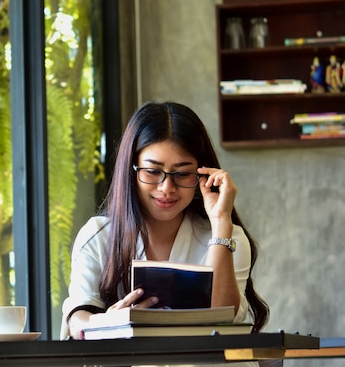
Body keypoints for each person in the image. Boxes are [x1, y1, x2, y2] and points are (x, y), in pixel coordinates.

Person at [61, 102, 269, 355]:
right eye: (152, 171)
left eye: (182, 174)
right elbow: (76, 320)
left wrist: (221, 223)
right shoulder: (98, 235)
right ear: (131, 170)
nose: (166, 188)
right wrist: (103, 321)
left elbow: (222, 323)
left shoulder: (227, 235)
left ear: (202, 175)